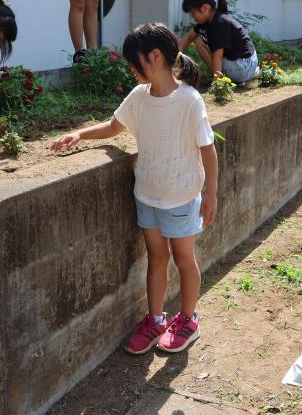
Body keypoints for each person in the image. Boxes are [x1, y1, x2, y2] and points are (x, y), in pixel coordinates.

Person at [52, 22, 218, 353]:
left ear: (155, 56)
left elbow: (208, 149)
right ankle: (156, 319)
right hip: (147, 195)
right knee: (157, 258)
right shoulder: (139, 97)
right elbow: (115, 126)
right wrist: (80, 134)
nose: (130, 70)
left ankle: (188, 320)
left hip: (182, 196)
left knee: (184, 259)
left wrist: (211, 193)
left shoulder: (189, 100)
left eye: (134, 62)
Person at [178, 0, 259, 84]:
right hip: (248, 62)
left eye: (193, 13)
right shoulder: (210, 21)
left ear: (205, 8)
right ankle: (247, 74)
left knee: (199, 41)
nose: (192, 17)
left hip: (242, 67)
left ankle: (220, 80)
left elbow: (218, 57)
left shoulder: (219, 23)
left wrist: (217, 84)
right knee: (198, 39)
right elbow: (188, 37)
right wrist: (176, 57)